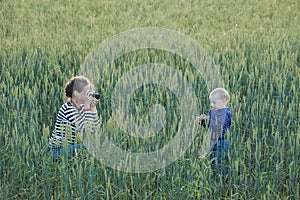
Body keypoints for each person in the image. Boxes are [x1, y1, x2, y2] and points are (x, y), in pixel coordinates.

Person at [48, 75, 100, 161]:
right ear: (76, 93)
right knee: (90, 148)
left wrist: (93, 109)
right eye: (87, 92)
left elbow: (95, 129)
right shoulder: (68, 109)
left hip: (72, 147)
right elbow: (86, 131)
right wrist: (87, 107)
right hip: (57, 151)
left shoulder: (82, 107)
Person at [195, 88, 232, 182]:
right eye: (211, 102)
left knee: (219, 162)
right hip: (212, 141)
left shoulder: (226, 113)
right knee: (211, 161)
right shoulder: (212, 111)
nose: (212, 105)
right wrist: (201, 122)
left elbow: (220, 127)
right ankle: (213, 179)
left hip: (221, 142)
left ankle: (221, 181)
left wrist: (207, 120)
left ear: (224, 101)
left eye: (214, 102)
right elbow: (209, 127)